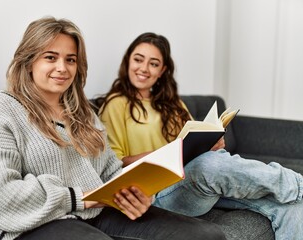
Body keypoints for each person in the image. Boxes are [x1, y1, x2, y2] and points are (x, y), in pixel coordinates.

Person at [0, 18, 226, 240]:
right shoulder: (0, 109)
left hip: (97, 212)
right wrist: (82, 198)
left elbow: (110, 170)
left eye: (71, 59)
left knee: (205, 235)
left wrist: (136, 193)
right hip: (30, 225)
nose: (62, 68)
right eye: (50, 57)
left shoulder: (84, 113)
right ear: (29, 61)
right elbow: (0, 198)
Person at [99, 32, 303, 240]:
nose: (143, 68)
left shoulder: (173, 104)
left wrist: (209, 143)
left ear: (162, 70)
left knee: (292, 206)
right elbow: (117, 163)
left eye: (153, 63)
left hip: (194, 182)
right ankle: (298, 184)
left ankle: (295, 191)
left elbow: (190, 139)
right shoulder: (116, 104)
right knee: (209, 165)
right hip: (158, 194)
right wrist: (168, 152)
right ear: (128, 61)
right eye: (138, 59)